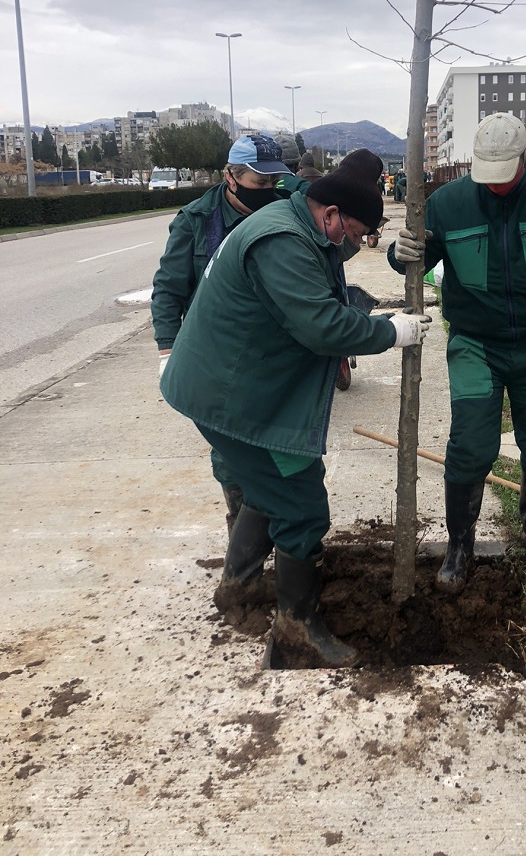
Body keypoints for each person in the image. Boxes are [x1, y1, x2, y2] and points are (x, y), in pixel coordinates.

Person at [160, 152, 431, 667]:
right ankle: (297, 628)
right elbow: (322, 326)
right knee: (301, 503)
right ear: (328, 214)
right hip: (230, 398)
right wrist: (389, 331)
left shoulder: (298, 222)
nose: (351, 245)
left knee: (268, 489)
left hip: (232, 388)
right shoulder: (281, 241)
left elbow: (331, 262)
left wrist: (399, 247)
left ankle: (237, 590)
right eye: (350, 233)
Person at [388, 113, 526, 593]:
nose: (495, 186)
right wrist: (398, 251)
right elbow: (417, 260)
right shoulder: (448, 204)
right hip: (474, 343)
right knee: (471, 446)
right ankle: (459, 544)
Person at [151, 134, 292, 535]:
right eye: (258, 183)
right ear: (230, 176)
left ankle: (279, 529)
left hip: (270, 348)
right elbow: (169, 289)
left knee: (280, 444)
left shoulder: (283, 214)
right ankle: (242, 533)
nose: (268, 192)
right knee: (230, 450)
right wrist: (167, 349)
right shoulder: (196, 221)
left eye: (273, 184)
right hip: (216, 354)